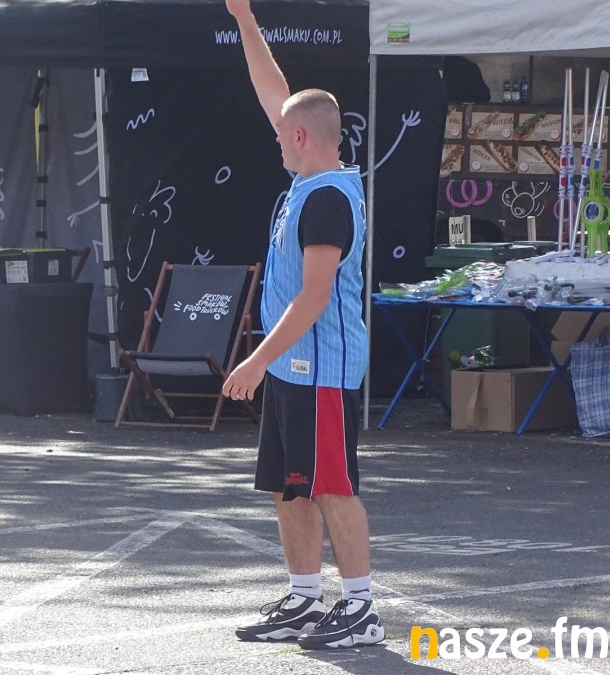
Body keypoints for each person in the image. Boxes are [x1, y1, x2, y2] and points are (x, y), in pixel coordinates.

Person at [220, 0, 383, 650]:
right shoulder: (309, 174)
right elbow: (278, 94)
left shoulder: (329, 200)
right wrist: (244, 19)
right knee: (291, 489)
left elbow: (315, 297)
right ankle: (303, 596)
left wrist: (255, 359)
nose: (274, 134)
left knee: (332, 488)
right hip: (294, 366)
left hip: (321, 367)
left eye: (281, 132)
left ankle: (362, 606)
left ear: (300, 139)